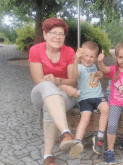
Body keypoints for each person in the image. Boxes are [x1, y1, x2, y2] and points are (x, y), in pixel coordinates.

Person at [29, 18, 81, 165]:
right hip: (40, 94)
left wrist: (58, 81)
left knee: (50, 105)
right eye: (53, 33)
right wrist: (63, 86)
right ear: (45, 34)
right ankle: (66, 133)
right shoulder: (36, 50)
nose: (58, 37)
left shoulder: (69, 51)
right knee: (47, 87)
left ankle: (48, 156)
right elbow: (39, 80)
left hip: (64, 99)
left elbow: (73, 81)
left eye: (61, 34)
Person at [70, 41, 109, 156]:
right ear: (81, 54)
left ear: (96, 58)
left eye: (91, 56)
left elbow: (93, 78)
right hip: (85, 98)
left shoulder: (93, 66)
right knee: (85, 117)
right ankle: (77, 142)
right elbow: (74, 75)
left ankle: (100, 137)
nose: (88, 59)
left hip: (98, 96)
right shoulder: (79, 67)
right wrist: (76, 60)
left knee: (106, 109)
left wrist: (100, 74)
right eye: (86, 55)